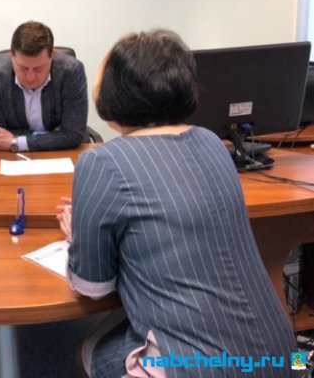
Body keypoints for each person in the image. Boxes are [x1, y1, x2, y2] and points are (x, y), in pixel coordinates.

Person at [56, 30, 297, 378]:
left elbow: (93, 287)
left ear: (114, 91)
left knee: (90, 351)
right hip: (282, 357)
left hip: (202, 369)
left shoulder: (102, 161)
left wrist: (78, 233)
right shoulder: (212, 143)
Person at [0, 20, 88, 151]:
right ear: (12, 55)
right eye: (23, 68)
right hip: (11, 157)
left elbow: (73, 135)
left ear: (52, 55)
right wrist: (55, 135)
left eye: (38, 69)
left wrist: (17, 141)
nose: (30, 77)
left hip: (63, 154)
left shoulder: (71, 71)